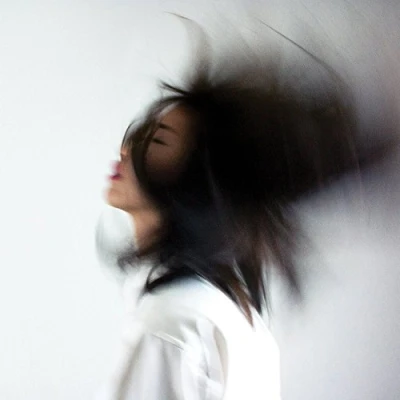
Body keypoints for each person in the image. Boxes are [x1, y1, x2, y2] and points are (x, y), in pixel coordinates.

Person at [95, 32, 391, 400]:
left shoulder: (170, 325)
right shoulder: (236, 316)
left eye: (157, 142)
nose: (125, 150)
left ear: (200, 186)